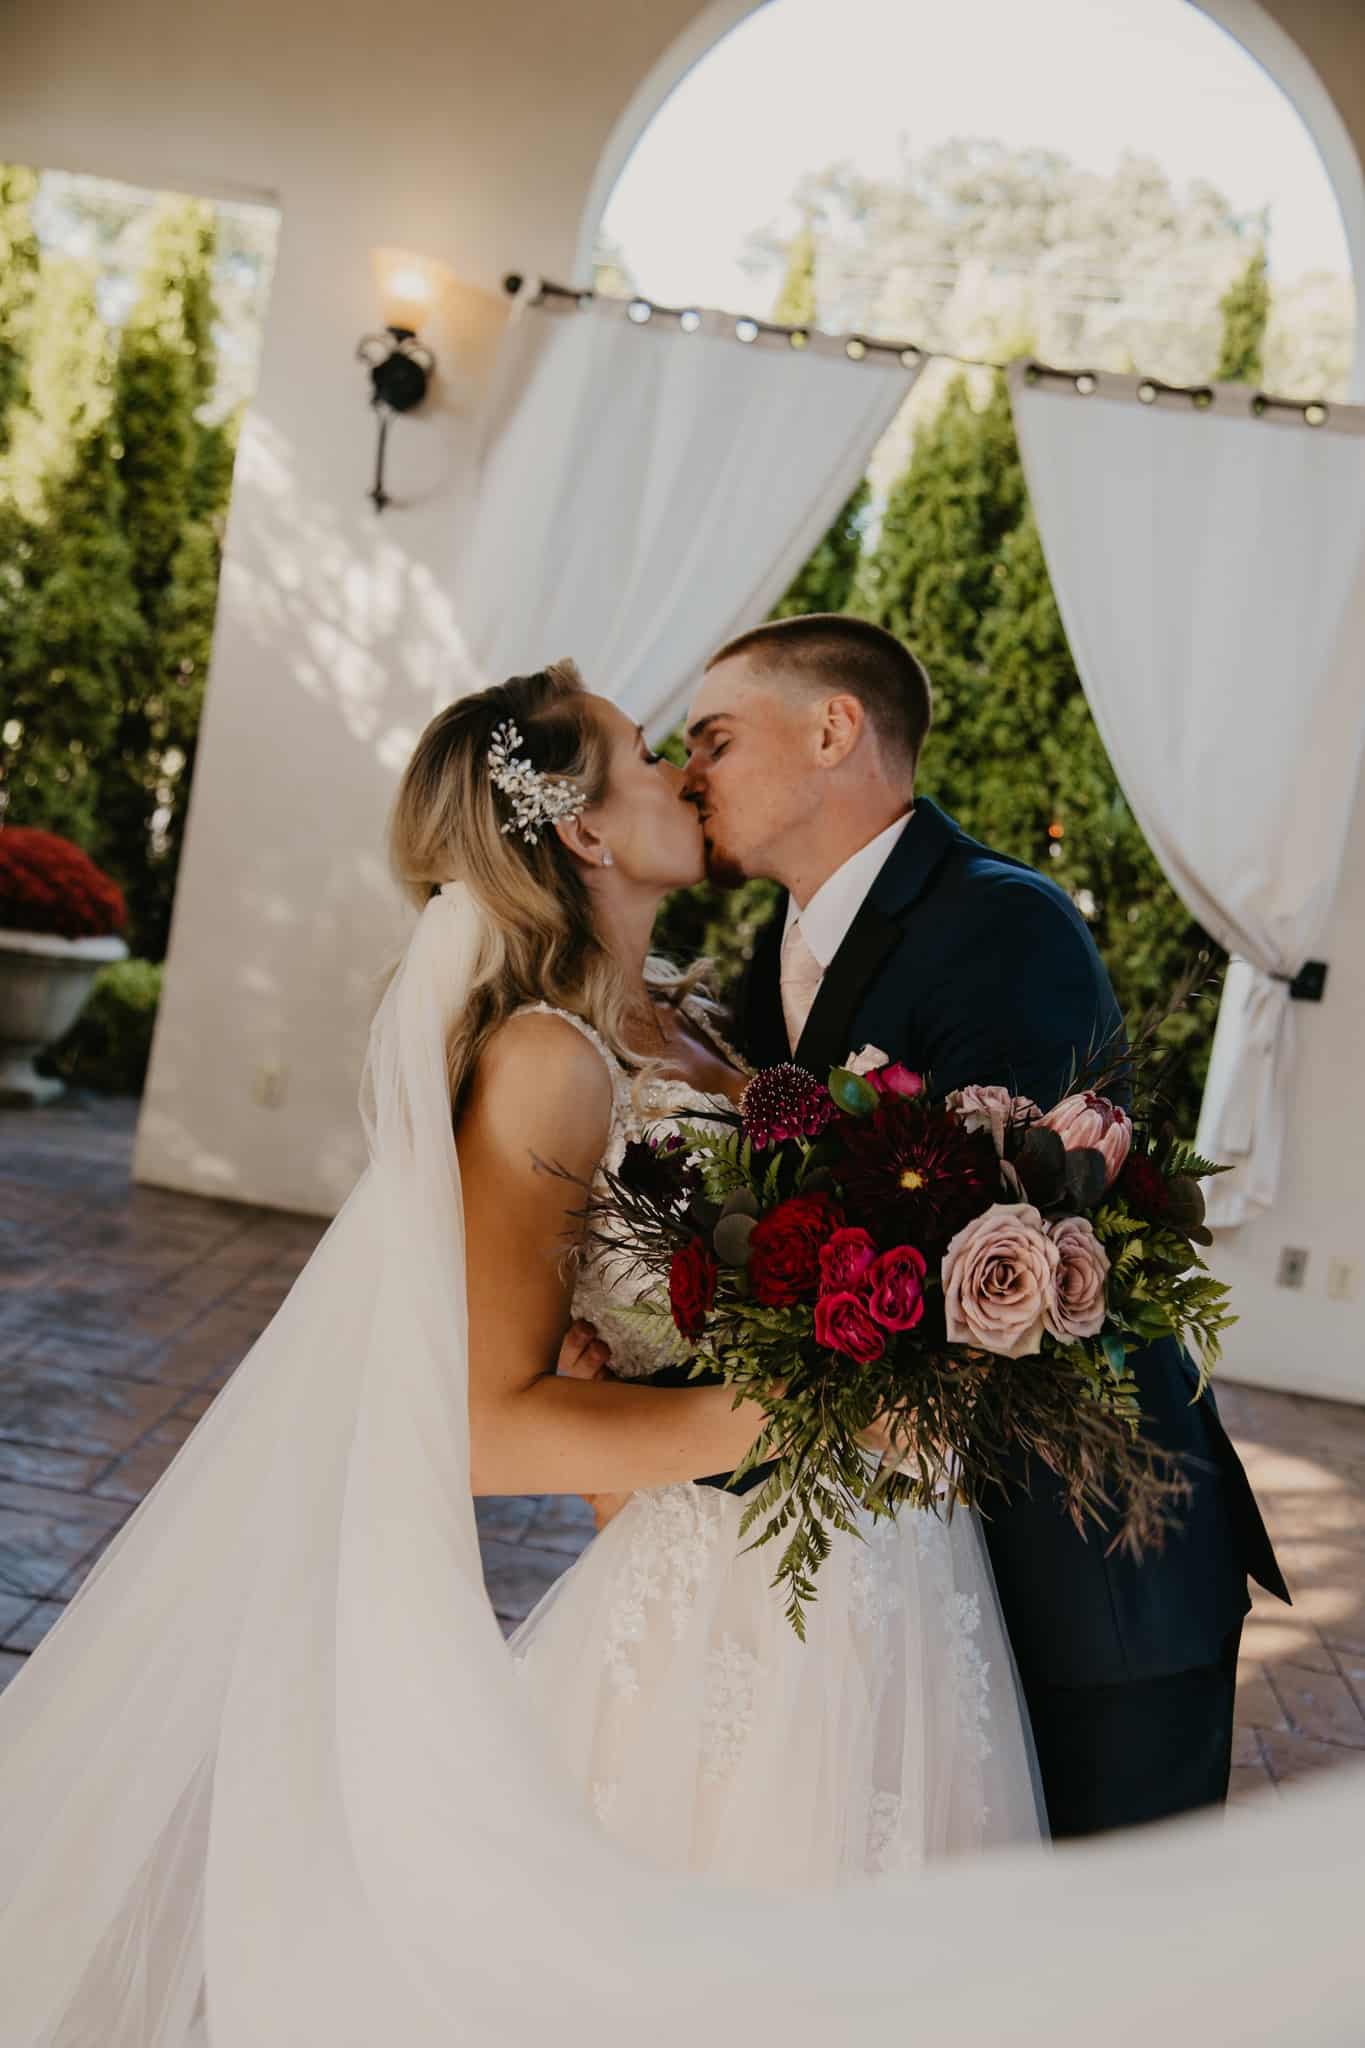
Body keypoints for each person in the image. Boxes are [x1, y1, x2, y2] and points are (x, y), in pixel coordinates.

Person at [0, 658, 1037, 2047]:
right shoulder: (547, 1064)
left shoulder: (691, 1017)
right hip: (746, 1585)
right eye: (638, 750)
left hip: (866, 1570)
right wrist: (812, 1419)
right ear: (587, 833)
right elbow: (485, 1425)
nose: (680, 765)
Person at [680, 612, 1289, 1841]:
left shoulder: (1003, 924)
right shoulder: (780, 951)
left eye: (716, 738)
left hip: (1087, 1567)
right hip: (926, 1582)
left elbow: (1016, 1270)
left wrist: (685, 1430)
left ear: (833, 727)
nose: (691, 773)